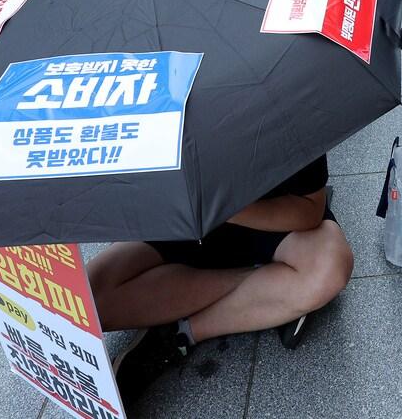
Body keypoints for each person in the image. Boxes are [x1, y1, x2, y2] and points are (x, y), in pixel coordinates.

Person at [87, 154, 352, 405]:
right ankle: (270, 285)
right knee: (85, 301)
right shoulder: (148, 113)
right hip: (178, 227)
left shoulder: (285, 110)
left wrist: (217, 208)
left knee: (329, 267)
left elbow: (309, 210)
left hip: (264, 221)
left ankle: (181, 332)